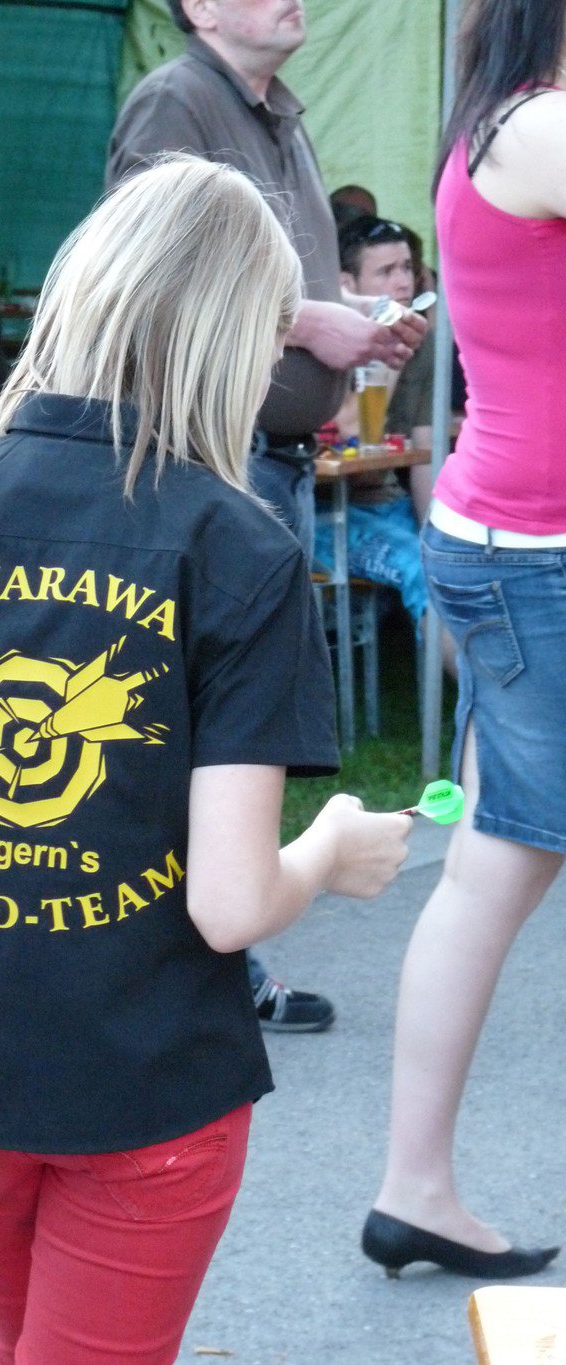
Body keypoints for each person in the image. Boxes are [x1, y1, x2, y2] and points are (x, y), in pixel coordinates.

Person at [0, 154, 411, 1365]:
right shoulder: (237, 547)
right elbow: (230, 905)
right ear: (232, 340)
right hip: (140, 1082)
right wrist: (328, 850)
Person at [106, 0, 425, 1033]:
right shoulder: (176, 100)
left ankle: (220, 959)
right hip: (213, 455)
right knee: (199, 716)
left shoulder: (276, 110)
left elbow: (278, 278)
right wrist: (311, 321)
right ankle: (197, 967)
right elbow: (151, 274)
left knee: (237, 718)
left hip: (269, 457)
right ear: (199, 7)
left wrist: (356, 320)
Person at [364, 0, 566, 1280]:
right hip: (537, 553)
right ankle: (413, 1184)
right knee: (494, 870)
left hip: (513, 541)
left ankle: (415, 1187)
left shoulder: (506, 121)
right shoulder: (540, 128)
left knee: (492, 868)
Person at [313, 217, 435, 631]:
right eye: (385, 271)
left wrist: (440, 534)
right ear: (345, 285)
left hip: (388, 501)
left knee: (459, 566)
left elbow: (426, 453)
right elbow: (349, 430)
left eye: (407, 268)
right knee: (423, 572)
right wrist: (391, 349)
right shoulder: (321, 342)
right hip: (327, 511)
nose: (403, 283)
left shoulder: (423, 345)